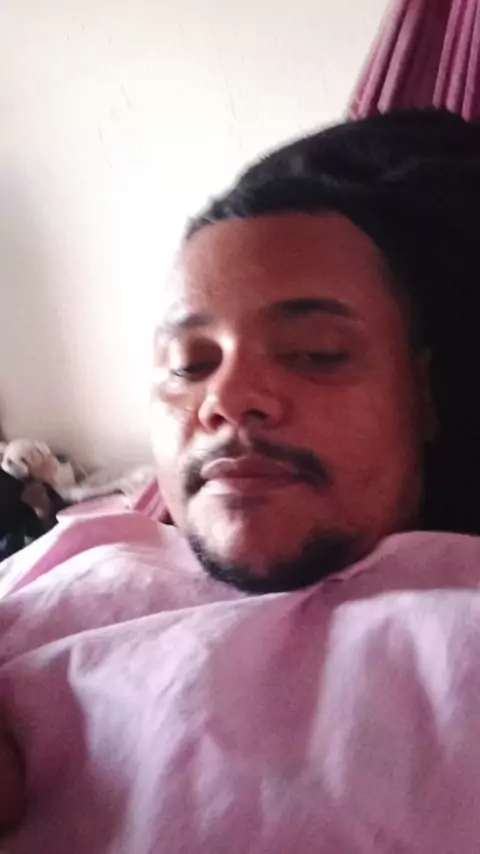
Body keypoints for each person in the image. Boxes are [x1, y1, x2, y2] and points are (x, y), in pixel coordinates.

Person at [2, 109, 480, 852]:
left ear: (423, 397)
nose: (225, 398)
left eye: (316, 352)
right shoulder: (72, 565)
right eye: (190, 365)